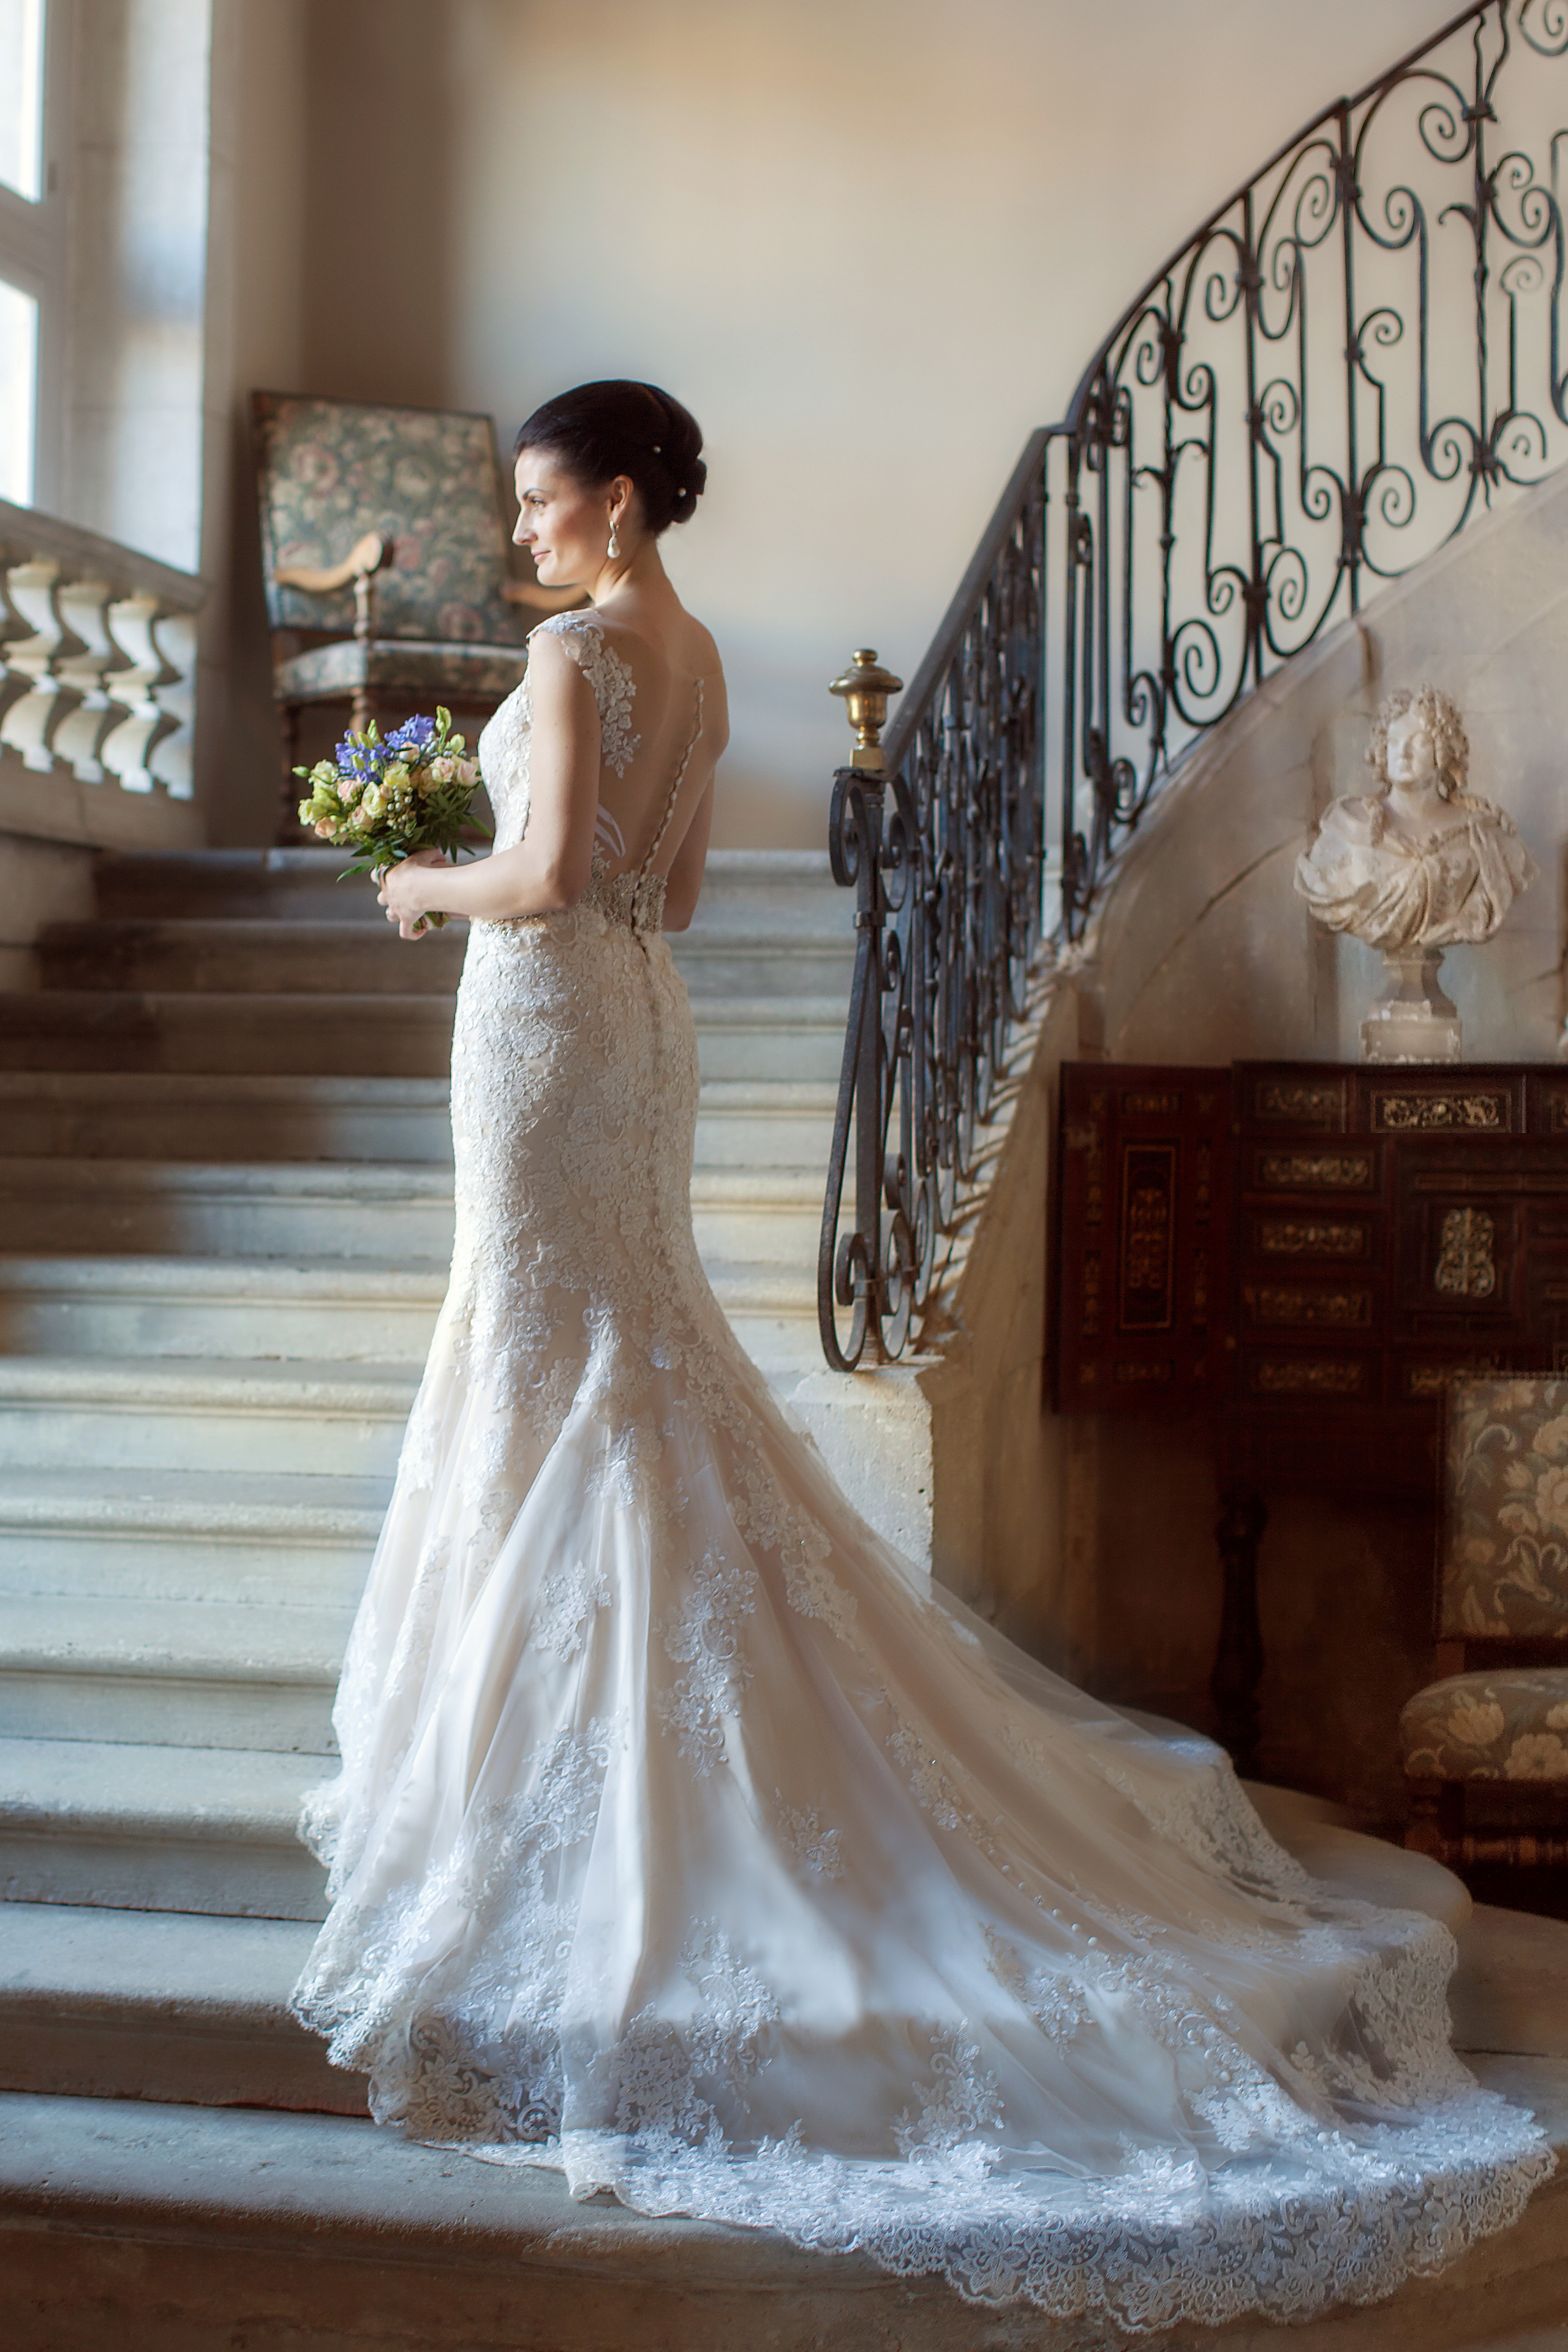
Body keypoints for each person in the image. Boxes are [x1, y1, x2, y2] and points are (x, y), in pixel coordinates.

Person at [291, 381, 1550, 2334]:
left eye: (542, 504)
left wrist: (419, 874)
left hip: (544, 1018)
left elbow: (540, 882)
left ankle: (562, 1761)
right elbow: (675, 890)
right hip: (643, 1020)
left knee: (561, 1346)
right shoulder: (692, 655)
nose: (523, 538)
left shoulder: (564, 647)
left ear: (618, 504)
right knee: (620, 1346)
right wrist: (518, 856)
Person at [1295, 686, 1535, 949]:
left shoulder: (1481, 833)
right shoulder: (1348, 828)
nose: (1404, 753)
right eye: (1394, 742)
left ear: (1443, 751)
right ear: (1382, 749)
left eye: (1420, 742)